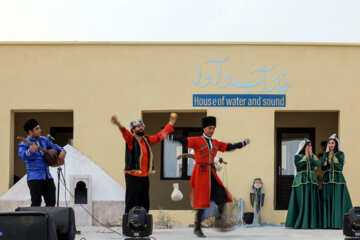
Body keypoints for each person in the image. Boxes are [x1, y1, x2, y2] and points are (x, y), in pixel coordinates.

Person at [172, 116, 250, 238]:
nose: (212, 130)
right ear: (204, 128)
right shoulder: (197, 140)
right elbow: (185, 141)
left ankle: (219, 220)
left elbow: (229, 147)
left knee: (222, 195)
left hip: (211, 173)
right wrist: (171, 137)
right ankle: (197, 228)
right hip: (200, 173)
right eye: (210, 128)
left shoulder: (215, 143)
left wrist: (243, 143)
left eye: (214, 128)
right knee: (202, 202)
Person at [111, 114, 177, 213]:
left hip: (144, 176)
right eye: (138, 126)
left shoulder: (146, 140)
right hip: (133, 176)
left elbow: (159, 136)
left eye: (142, 126)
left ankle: (143, 223)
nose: (141, 127)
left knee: (144, 202)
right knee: (132, 201)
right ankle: (129, 223)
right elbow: (124, 132)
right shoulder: (130, 139)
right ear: (133, 130)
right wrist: (118, 124)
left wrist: (171, 123)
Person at [18, 119, 66, 206]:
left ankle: (47, 219)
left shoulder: (44, 140)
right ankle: (36, 220)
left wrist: (63, 151)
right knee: (36, 203)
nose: (40, 130)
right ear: (30, 132)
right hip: (34, 177)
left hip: (47, 176)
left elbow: (55, 146)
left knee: (51, 202)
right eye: (37, 129)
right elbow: (21, 157)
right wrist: (30, 151)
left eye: (39, 128)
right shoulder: (23, 143)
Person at [285, 138, 322, 229]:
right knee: (302, 201)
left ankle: (312, 223)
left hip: (311, 182)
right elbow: (298, 165)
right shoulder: (298, 156)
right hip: (301, 181)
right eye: (308, 145)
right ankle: (299, 222)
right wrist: (306, 156)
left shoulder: (313, 156)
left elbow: (318, 163)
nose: (310, 147)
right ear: (304, 147)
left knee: (311, 202)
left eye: (311, 145)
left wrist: (310, 156)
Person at [321, 134, 352, 229]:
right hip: (327, 180)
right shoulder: (325, 155)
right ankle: (328, 224)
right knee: (328, 201)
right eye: (329, 143)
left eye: (332, 143)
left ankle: (338, 223)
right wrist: (327, 160)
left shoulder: (340, 154)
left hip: (338, 179)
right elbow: (323, 168)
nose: (331, 145)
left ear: (336, 144)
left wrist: (333, 159)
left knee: (337, 201)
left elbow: (340, 167)